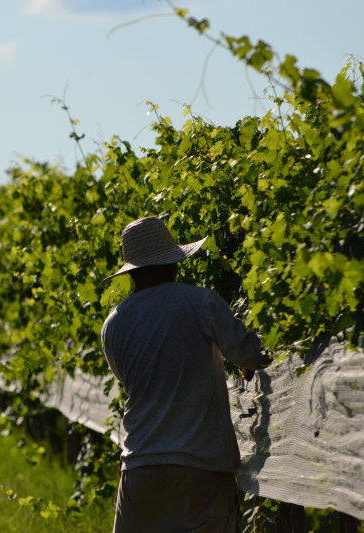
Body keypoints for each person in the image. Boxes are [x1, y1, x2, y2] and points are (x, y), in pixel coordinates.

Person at [101, 216, 271, 533]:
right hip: (202, 464)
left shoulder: (113, 324)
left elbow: (129, 381)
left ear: (131, 271)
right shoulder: (200, 302)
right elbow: (254, 354)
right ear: (171, 263)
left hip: (140, 465)